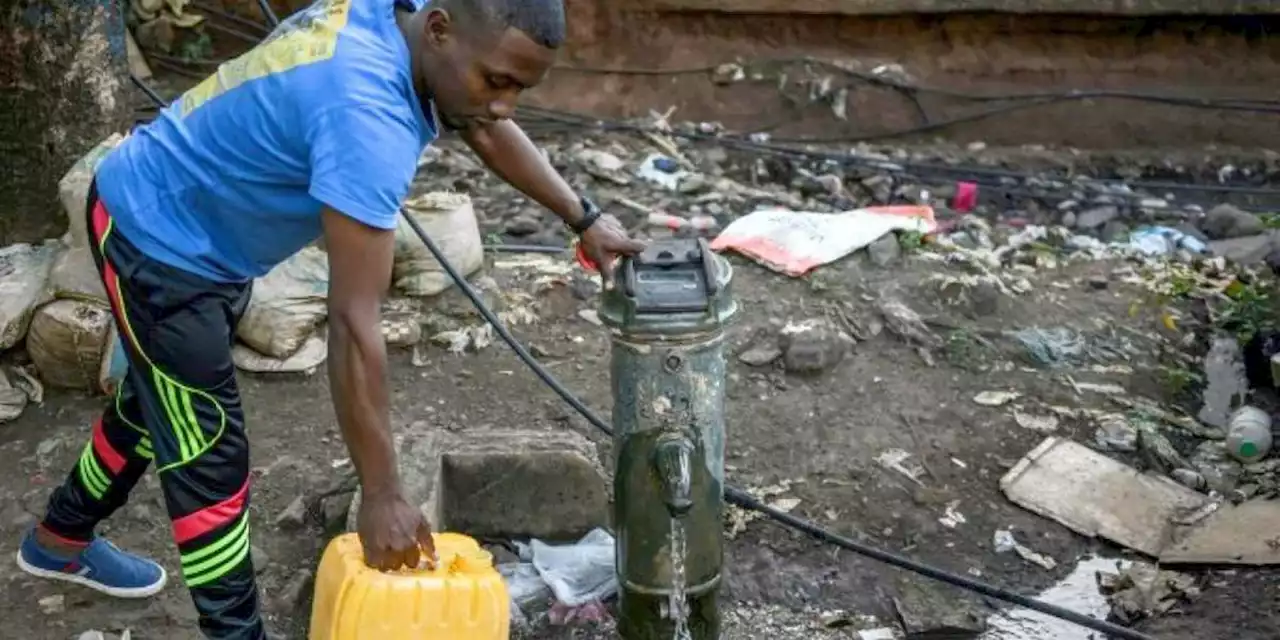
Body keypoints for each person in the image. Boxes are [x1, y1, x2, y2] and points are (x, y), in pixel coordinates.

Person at [15, 0, 644, 637]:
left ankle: (59, 539)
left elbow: (481, 119)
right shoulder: (366, 119)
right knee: (208, 451)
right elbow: (352, 322)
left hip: (203, 234)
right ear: (439, 29)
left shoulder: (410, 26)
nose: (506, 103)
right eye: (497, 80)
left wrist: (584, 219)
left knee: (161, 400)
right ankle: (235, 632)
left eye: (520, 87)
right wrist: (381, 493)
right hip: (156, 235)